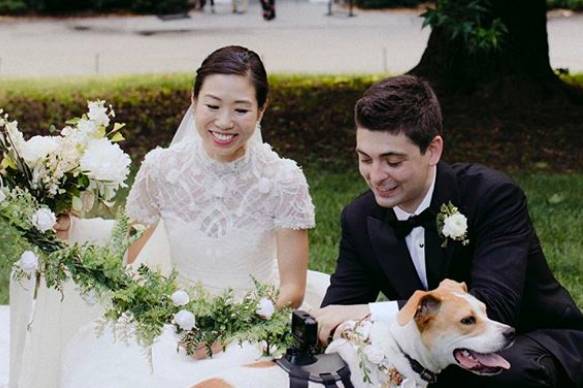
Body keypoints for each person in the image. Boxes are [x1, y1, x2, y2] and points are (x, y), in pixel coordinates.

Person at [58, 45, 326, 387]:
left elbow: (292, 288)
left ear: (262, 109)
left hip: (254, 323)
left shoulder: (282, 180)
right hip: (171, 320)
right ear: (193, 100)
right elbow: (126, 245)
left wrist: (228, 330)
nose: (225, 122)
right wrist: (74, 228)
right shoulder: (161, 168)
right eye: (212, 106)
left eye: (241, 109)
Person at [312, 75, 583, 387]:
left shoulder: (492, 196)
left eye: (393, 161)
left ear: (433, 150)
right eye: (365, 159)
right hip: (437, 354)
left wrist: (376, 311)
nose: (375, 176)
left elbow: (496, 305)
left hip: (532, 339)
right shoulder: (359, 218)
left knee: (499, 377)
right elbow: (336, 312)